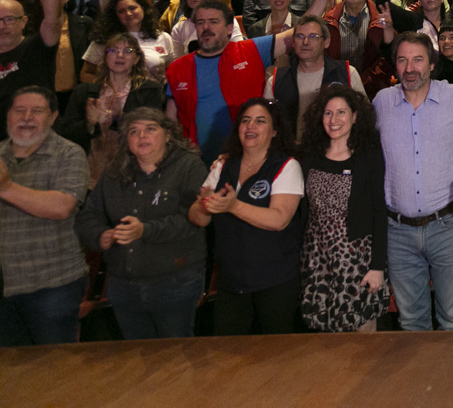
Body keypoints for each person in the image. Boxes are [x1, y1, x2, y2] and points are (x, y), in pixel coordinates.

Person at [167, 0, 333, 164]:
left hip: (248, 159)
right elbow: (171, 122)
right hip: (196, 162)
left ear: (229, 28)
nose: (206, 27)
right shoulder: (177, 68)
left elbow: (297, 33)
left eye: (213, 22)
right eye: (200, 22)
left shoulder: (251, 51)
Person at [75, 108, 207, 339]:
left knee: (175, 353)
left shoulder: (189, 166)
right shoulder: (114, 171)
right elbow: (88, 215)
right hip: (123, 282)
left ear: (168, 134)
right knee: (135, 354)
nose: (142, 136)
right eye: (133, 131)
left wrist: (144, 230)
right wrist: (101, 235)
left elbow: (193, 221)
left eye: (150, 129)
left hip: (174, 280)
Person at [375, 32, 453, 332]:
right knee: (411, 322)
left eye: (418, 60)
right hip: (398, 232)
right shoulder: (382, 102)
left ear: (432, 64)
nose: (409, 68)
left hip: (448, 227)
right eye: (402, 60)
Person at [187, 99, 304, 335]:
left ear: (274, 131)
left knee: (275, 350)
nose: (251, 126)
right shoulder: (223, 165)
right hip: (231, 279)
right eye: (246, 120)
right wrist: (205, 205)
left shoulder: (286, 166)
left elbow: (279, 219)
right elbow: (198, 219)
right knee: (228, 350)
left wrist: (233, 206)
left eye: (260, 121)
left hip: (275, 280)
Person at [296, 86, 390, 332]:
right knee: (323, 343)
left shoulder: (368, 156)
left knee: (362, 343)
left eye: (341, 112)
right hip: (317, 261)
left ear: (355, 116)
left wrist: (377, 267)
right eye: (328, 113)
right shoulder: (309, 155)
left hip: (357, 262)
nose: (333, 120)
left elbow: (379, 212)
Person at [0, 86, 89, 346]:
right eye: (19, 110)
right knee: (9, 367)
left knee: (55, 365)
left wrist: (6, 188)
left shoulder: (69, 153)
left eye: (37, 111)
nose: (27, 117)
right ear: (8, 115)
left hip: (52, 284)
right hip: (3, 284)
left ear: (52, 117)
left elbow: (61, 207)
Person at [57, 32, 167, 186]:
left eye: (128, 51)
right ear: (105, 56)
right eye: (113, 50)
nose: (120, 55)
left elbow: (152, 133)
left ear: (136, 59)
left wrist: (118, 118)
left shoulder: (149, 91)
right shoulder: (84, 92)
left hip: (132, 173)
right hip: (86, 174)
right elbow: (66, 133)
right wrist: (90, 124)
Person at [263, 15, 367, 136]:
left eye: (313, 36)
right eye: (300, 36)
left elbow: (364, 118)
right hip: (290, 147)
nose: (305, 42)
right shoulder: (276, 80)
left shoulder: (347, 73)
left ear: (326, 42)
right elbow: (266, 125)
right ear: (293, 43)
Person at [0, 0, 63, 114]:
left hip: (35, 127)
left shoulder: (37, 47)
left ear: (24, 21)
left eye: (9, 19)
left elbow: (52, 19)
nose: (1, 26)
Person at [81, 0, 174, 83]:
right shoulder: (105, 38)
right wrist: (111, 87)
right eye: (121, 11)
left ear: (143, 8)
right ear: (115, 15)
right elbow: (86, 75)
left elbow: (172, 73)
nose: (128, 13)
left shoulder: (163, 37)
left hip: (156, 91)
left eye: (132, 8)